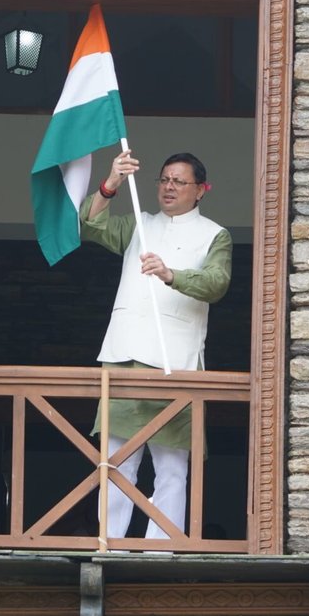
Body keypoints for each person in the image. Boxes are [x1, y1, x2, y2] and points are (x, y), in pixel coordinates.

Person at [81, 149, 231, 541]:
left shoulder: (215, 234)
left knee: (171, 468)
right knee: (116, 463)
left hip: (175, 361)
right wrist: (111, 182)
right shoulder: (140, 223)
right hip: (123, 356)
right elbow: (90, 224)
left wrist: (170, 274)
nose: (169, 187)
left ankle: (160, 549)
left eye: (179, 181)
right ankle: (109, 544)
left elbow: (216, 283)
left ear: (201, 190)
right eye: (164, 179)